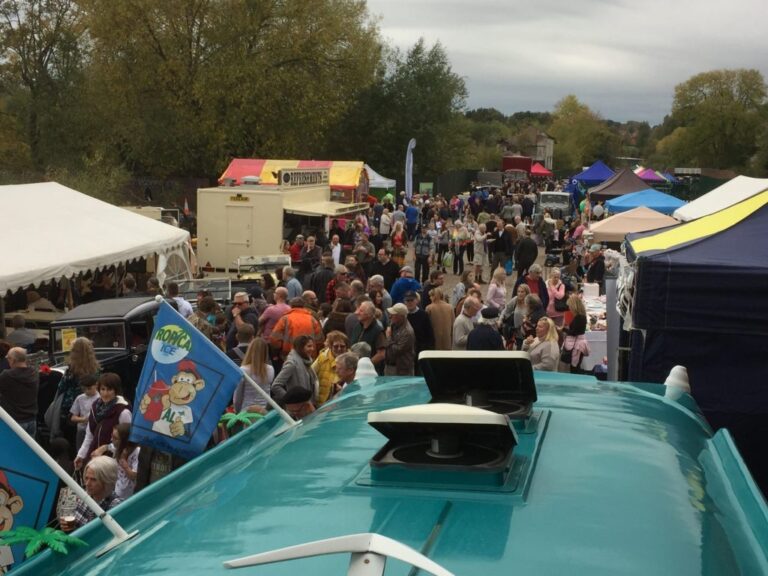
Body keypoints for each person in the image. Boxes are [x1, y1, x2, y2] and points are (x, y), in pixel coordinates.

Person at [75, 373, 131, 470]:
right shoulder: (95, 407)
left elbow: (126, 441)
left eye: (109, 390)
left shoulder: (123, 411)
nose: (105, 393)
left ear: (116, 390)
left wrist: (106, 448)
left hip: (112, 462)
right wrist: (81, 455)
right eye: (102, 389)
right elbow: (89, 435)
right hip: (93, 458)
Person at [54, 337, 100, 447]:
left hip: (70, 408)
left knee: (71, 439)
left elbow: (61, 387)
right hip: (90, 406)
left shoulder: (72, 369)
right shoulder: (96, 368)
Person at [60, 456, 122, 532]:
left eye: (93, 479)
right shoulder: (84, 495)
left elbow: (100, 536)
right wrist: (67, 526)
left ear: (106, 481)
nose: (87, 483)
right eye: (86, 478)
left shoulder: (116, 505)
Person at [0, 347, 39, 436]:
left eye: (8, 358)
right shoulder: (34, 372)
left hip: (14, 421)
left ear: (13, 360)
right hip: (31, 419)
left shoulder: (7, 375)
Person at [271, 335, 319, 407]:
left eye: (312, 346)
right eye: (309, 346)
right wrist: (291, 400)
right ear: (300, 348)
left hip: (307, 406)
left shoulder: (306, 362)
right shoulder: (292, 364)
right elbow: (276, 386)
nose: (312, 349)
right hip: (297, 410)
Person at [234, 337, 274, 413]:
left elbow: (237, 396)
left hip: (247, 411)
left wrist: (237, 411)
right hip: (264, 411)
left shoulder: (243, 369)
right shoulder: (270, 369)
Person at [311, 332, 349, 406]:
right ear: (330, 347)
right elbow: (311, 374)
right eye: (335, 346)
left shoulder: (350, 361)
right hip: (320, 404)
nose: (339, 349)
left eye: (342, 346)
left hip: (339, 405)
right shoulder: (322, 358)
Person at [403, 292, 434, 375]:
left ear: (416, 301)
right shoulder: (403, 316)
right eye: (407, 300)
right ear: (404, 302)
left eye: (411, 300)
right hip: (406, 353)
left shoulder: (423, 315)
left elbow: (430, 335)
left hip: (419, 351)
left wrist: (427, 350)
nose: (409, 303)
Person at [68, 374, 99, 452]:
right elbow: (73, 417)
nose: (86, 391)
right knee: (80, 451)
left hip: (95, 430)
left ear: (96, 385)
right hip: (82, 430)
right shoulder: (80, 398)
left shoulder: (100, 398)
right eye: (84, 389)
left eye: (89, 388)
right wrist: (84, 419)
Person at [561, 294, 590, 373]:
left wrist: (563, 329)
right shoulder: (581, 316)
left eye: (570, 306)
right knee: (575, 366)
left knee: (575, 367)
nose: (569, 308)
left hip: (577, 345)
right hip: (579, 343)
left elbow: (574, 333)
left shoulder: (579, 317)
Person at [384, 303, 415, 376]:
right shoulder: (394, 324)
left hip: (401, 370)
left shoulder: (407, 332)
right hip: (390, 365)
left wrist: (388, 337)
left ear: (400, 316)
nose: (390, 316)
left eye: (393, 314)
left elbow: (397, 350)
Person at [502, 284, 531, 349]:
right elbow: (506, 310)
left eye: (522, 292)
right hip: (516, 334)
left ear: (527, 293)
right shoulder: (515, 300)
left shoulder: (530, 303)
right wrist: (501, 319)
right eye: (518, 291)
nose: (520, 294)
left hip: (527, 335)